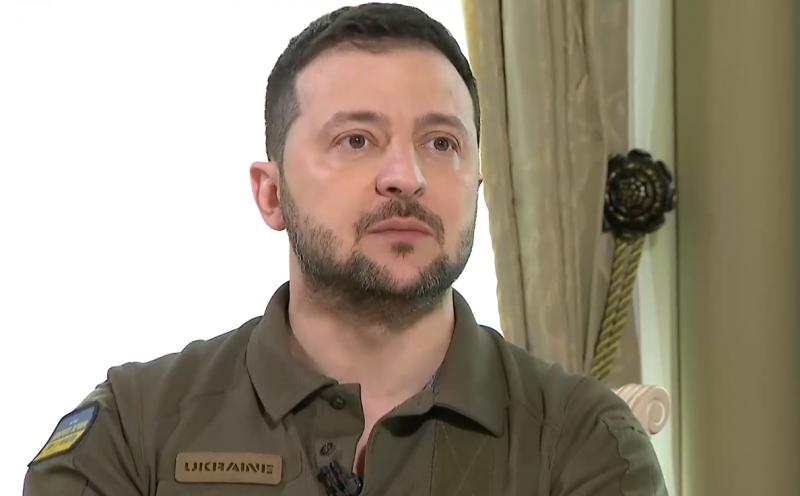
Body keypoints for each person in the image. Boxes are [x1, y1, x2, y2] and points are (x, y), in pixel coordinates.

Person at [24, 3, 667, 495]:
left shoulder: (584, 442)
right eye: (356, 140)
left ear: (477, 185)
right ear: (271, 194)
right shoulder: (132, 429)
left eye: (441, 143)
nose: (406, 177)